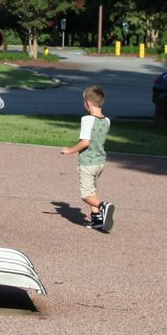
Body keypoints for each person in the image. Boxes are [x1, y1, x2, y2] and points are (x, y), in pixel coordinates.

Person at [56, 84, 113, 232]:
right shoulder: (106, 121)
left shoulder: (87, 120)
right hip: (100, 162)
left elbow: (85, 142)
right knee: (92, 190)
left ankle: (103, 206)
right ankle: (96, 220)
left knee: (86, 194)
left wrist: (70, 150)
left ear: (88, 103)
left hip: (88, 163)